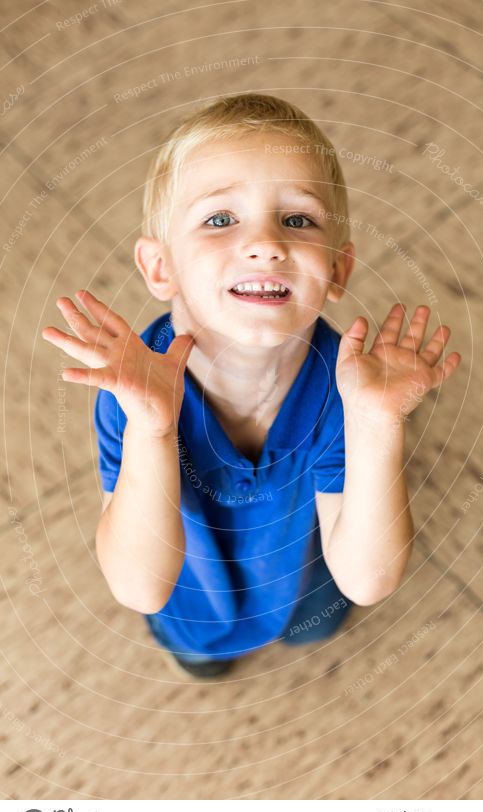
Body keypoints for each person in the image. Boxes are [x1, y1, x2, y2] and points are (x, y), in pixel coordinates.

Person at [42, 93, 461, 679]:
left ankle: (298, 619)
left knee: (314, 618)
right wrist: (152, 429)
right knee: (202, 658)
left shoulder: (347, 391)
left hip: (302, 573)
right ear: (161, 268)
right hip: (191, 606)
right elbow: (139, 585)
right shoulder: (132, 389)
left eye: (297, 219)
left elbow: (367, 579)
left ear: (338, 270)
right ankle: (211, 655)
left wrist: (377, 424)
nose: (266, 243)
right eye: (220, 219)